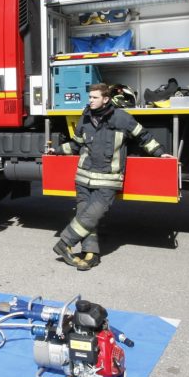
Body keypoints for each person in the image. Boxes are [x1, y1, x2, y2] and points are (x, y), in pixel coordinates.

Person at [51, 83, 171, 271]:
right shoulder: (86, 117)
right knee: (85, 216)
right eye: (89, 97)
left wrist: (160, 153)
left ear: (105, 99)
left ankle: (64, 243)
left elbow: (144, 136)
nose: (90, 101)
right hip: (83, 177)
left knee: (92, 215)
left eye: (94, 97)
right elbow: (76, 145)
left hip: (108, 179)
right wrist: (57, 150)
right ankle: (91, 255)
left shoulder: (122, 118)